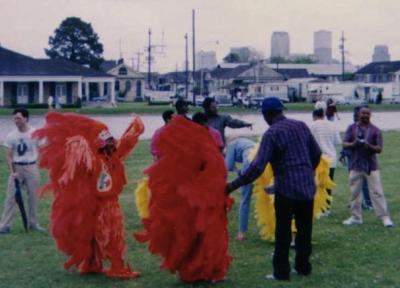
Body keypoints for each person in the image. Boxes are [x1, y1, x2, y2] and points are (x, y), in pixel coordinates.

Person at [33, 112, 144, 278]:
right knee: (106, 235)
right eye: (105, 140)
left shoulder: (111, 156)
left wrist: (134, 130)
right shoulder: (93, 159)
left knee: (106, 234)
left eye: (109, 140)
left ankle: (96, 264)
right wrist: (78, 145)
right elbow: (76, 159)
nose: (109, 144)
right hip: (99, 203)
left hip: (107, 201)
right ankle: (111, 266)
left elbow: (123, 146)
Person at [226, 97, 321, 281]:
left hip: (286, 189)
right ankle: (303, 267)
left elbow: (256, 167)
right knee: (304, 230)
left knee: (283, 233)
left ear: (266, 114)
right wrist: (308, 172)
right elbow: (316, 154)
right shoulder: (301, 125)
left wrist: (232, 185)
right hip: (307, 188)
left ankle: (281, 273)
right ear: (281, 110)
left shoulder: (272, 134)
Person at [134, 115, 232, 283]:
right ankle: (197, 270)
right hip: (197, 200)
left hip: (200, 199)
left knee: (199, 236)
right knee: (198, 236)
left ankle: (203, 270)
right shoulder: (197, 147)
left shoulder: (192, 146)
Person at [342, 106, 394, 227]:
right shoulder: (351, 128)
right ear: (358, 114)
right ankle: (356, 217)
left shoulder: (376, 130)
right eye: (362, 113)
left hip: (371, 166)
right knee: (355, 192)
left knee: (377, 192)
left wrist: (368, 145)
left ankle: (385, 218)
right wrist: (353, 143)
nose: (365, 115)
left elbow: (379, 149)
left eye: (367, 113)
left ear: (370, 115)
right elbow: (344, 143)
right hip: (355, 165)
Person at [0, 108, 44, 234]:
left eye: (18, 118)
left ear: (26, 119)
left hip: (31, 167)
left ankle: (33, 224)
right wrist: (12, 171)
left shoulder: (35, 133)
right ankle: (4, 225)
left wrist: (37, 164)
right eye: (14, 118)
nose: (16, 121)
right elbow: (8, 155)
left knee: (33, 197)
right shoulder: (11, 135)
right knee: (11, 197)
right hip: (16, 168)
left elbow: (42, 148)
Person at [339, 106, 372, 209]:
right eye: (353, 115)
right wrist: (343, 153)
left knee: (364, 182)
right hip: (351, 158)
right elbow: (346, 142)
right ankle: (356, 203)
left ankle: (368, 203)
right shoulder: (352, 127)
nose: (354, 117)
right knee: (354, 182)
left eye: (356, 115)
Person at [309, 108, 341, 211]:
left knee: (317, 184)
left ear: (314, 116)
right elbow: (337, 142)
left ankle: (318, 207)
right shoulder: (332, 125)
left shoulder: (312, 126)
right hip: (331, 159)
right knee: (328, 184)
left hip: (318, 159)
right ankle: (327, 208)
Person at [225, 137, 256, 241]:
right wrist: (239, 171)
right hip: (259, 158)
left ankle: (242, 233)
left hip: (249, 161)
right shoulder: (246, 142)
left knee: (245, 200)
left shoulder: (231, 145)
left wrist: (235, 168)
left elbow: (227, 166)